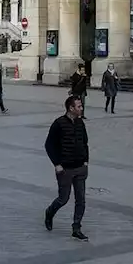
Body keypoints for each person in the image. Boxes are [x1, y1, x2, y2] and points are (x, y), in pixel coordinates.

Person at [44, 94, 89, 241]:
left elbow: (85, 142)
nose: (81, 108)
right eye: (79, 106)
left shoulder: (80, 123)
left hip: (80, 168)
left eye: (81, 106)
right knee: (63, 199)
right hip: (65, 169)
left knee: (81, 200)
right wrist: (57, 164)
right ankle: (50, 212)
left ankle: (76, 227)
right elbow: (49, 145)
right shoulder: (59, 123)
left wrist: (86, 161)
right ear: (71, 108)